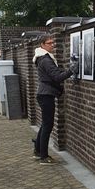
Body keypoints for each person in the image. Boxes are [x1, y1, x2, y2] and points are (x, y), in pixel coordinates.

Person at [33, 35, 78, 164]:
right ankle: (44, 157)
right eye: (49, 43)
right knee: (48, 125)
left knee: (45, 124)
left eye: (53, 43)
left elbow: (54, 74)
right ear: (42, 44)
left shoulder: (42, 57)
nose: (52, 45)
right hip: (46, 95)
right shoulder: (46, 60)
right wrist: (71, 70)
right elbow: (57, 77)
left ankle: (37, 151)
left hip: (44, 94)